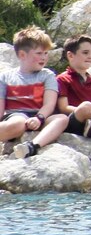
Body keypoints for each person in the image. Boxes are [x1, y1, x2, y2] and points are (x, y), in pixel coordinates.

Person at [1, 26, 67, 157]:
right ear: (22, 55)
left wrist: (39, 118)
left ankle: (32, 146)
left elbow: (49, 104)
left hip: (41, 116)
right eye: (39, 53)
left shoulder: (47, 75)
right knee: (18, 123)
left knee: (61, 119)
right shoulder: (5, 77)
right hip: (17, 115)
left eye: (46, 53)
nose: (44, 57)